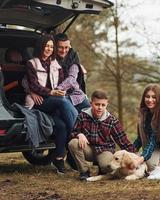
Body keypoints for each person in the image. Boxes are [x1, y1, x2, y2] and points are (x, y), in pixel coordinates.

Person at [24, 34, 78, 174]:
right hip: (39, 102)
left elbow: (60, 84)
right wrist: (51, 93)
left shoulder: (56, 64)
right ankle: (78, 132)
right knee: (62, 101)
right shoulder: (32, 63)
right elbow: (34, 85)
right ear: (41, 46)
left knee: (61, 126)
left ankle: (59, 159)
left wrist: (58, 92)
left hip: (53, 101)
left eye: (51, 46)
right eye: (47, 46)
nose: (49, 49)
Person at [68, 89, 135, 181]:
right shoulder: (82, 116)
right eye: (97, 104)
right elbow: (72, 133)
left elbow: (123, 140)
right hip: (89, 149)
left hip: (105, 150)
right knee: (73, 143)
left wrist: (135, 158)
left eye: (103, 105)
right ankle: (84, 171)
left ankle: (102, 168)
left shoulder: (111, 120)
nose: (100, 107)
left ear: (107, 104)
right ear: (91, 103)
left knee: (108, 167)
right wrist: (79, 134)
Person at [54, 33, 90, 112]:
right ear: (55, 47)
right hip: (59, 98)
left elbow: (72, 78)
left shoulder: (73, 56)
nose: (64, 51)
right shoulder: (50, 58)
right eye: (60, 47)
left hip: (76, 95)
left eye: (66, 47)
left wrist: (57, 89)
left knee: (90, 111)